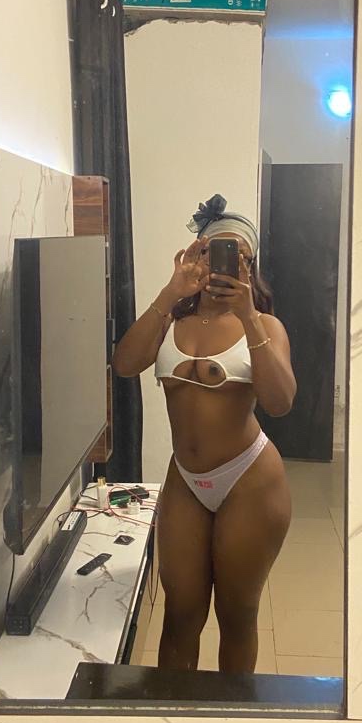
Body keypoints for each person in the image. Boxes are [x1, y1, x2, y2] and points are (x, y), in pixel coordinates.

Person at [112, 194, 296, 674]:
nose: (225, 264)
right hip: (186, 481)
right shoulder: (172, 320)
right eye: (214, 252)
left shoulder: (265, 326)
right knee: (179, 614)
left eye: (238, 256)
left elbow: (279, 402)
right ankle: (177, 712)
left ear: (250, 266)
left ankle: (231, 716)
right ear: (197, 254)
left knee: (237, 616)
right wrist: (169, 293)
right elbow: (125, 364)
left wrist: (249, 315)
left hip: (249, 481)